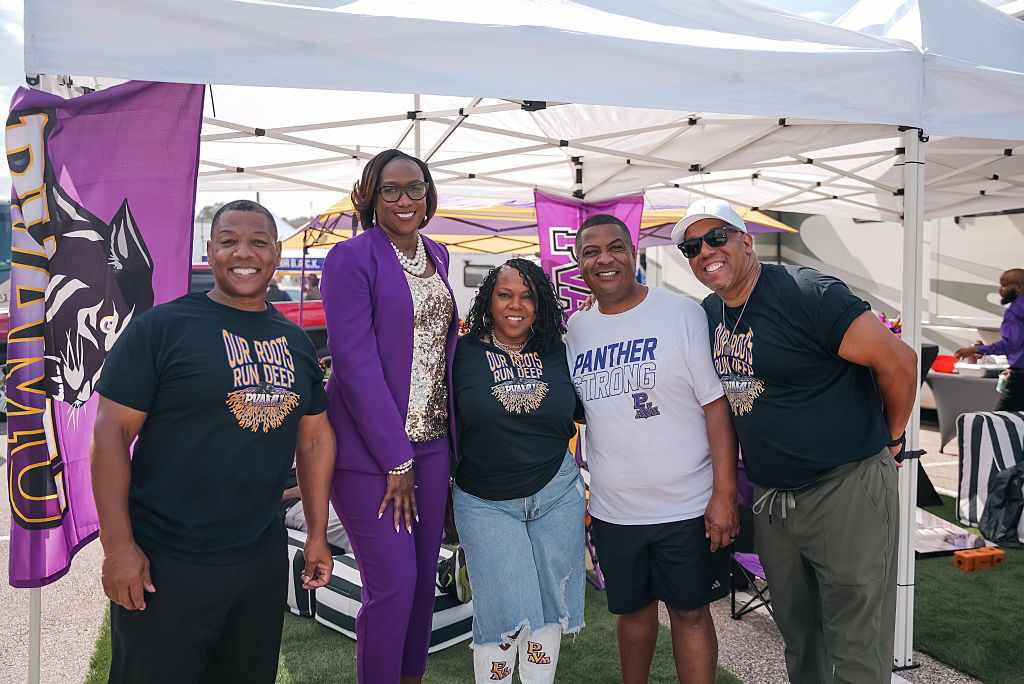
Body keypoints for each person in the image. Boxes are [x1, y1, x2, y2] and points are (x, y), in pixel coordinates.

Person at [673, 198, 918, 684]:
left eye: (716, 237)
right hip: (773, 499)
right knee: (798, 634)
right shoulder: (710, 312)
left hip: (844, 486)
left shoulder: (807, 293)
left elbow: (900, 362)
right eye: (691, 246)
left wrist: (892, 438)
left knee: (855, 636)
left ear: (746, 241)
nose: (705, 251)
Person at [90, 199, 336, 684]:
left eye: (258, 242)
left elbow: (314, 441)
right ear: (210, 250)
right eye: (229, 241)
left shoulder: (296, 342)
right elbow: (110, 435)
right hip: (166, 562)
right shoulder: (161, 329)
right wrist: (118, 546)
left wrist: (317, 533)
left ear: (278, 253)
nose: (244, 252)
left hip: (259, 561)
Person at [564, 214, 739, 684]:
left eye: (616, 247)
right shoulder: (576, 332)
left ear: (634, 252)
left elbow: (716, 408)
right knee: (633, 615)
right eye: (591, 252)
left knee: (691, 615)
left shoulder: (681, 313)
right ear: (578, 263)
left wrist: (724, 494)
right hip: (614, 509)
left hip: (687, 506)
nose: (605, 259)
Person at [321, 149, 458, 684]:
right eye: (391, 190)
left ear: (429, 194)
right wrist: (396, 458)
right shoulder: (351, 258)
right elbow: (354, 364)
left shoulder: (439, 254)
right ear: (370, 197)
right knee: (393, 586)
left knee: (424, 584)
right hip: (369, 455)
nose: (405, 199)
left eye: (415, 188)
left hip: (433, 444)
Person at [453, 258, 586, 683]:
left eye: (527, 296)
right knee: (501, 616)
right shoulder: (461, 353)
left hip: (558, 493)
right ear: (489, 300)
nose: (517, 305)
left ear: (540, 302)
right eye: (505, 294)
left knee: (549, 609)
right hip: (485, 500)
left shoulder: (558, 350)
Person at [954, 268, 1024, 411]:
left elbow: (1010, 345)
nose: (1000, 290)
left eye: (1004, 285)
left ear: (1019, 287)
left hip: (1020, 380)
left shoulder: (1015, 311)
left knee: (1002, 419)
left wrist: (975, 349)